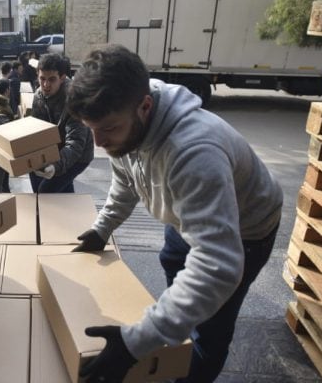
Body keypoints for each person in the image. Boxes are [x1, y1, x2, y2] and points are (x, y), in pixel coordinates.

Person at [67, 45, 282, 383]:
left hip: (243, 231)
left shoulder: (194, 153)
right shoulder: (123, 124)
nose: (97, 142)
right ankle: (175, 344)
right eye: (90, 129)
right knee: (178, 284)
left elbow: (218, 266)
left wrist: (133, 344)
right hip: (187, 216)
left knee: (209, 324)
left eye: (107, 130)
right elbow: (127, 179)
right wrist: (102, 228)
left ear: (145, 107)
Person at [29, 52, 94, 193]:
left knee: (46, 191)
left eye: (52, 79)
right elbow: (35, 129)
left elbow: (76, 143)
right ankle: (65, 213)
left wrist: (55, 166)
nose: (46, 85)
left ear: (62, 78)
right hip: (54, 150)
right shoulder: (39, 95)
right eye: (42, 79)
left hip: (78, 155)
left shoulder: (74, 100)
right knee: (39, 178)